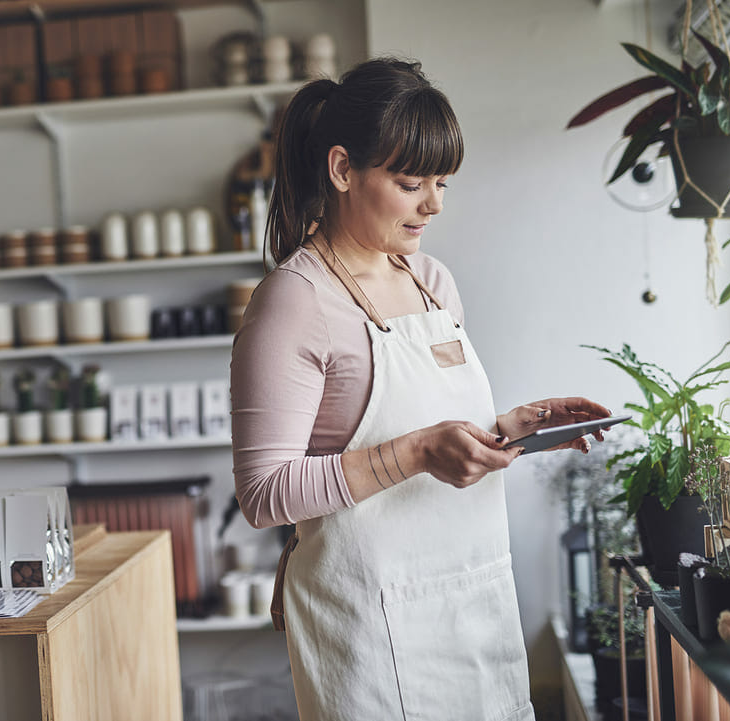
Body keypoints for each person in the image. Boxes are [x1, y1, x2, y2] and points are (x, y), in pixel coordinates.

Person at [230, 57, 612, 721]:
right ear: (343, 169)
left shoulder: (431, 279)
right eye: (411, 182)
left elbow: (434, 434)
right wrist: (414, 453)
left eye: (441, 181)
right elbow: (265, 494)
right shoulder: (294, 301)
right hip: (370, 629)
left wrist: (510, 428)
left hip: (473, 607)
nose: (434, 203)